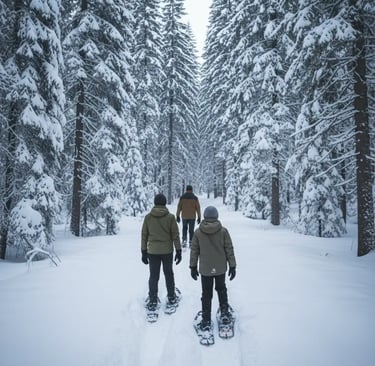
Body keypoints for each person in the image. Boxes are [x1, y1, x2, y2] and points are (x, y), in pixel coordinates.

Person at [190, 206, 236, 331]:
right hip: (220, 268)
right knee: (221, 289)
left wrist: (193, 267)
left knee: (206, 293)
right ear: (216, 216)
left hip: (205, 269)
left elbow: (194, 251)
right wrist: (232, 265)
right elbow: (229, 249)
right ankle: (225, 314)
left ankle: (206, 320)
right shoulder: (223, 231)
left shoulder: (198, 232)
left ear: (204, 216)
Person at [141, 193, 182, 311]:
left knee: (154, 276)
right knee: (168, 274)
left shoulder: (148, 217)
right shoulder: (170, 217)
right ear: (164, 203)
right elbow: (175, 235)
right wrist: (178, 250)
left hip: (152, 251)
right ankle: (171, 297)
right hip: (167, 251)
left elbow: (144, 235)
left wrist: (143, 251)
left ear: (155, 203)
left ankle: (153, 300)